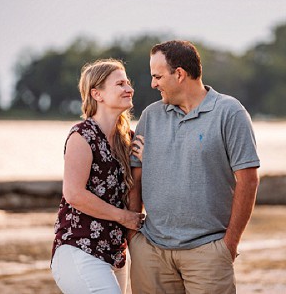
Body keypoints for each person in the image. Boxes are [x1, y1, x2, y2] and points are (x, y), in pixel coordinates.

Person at [128, 40, 260, 293]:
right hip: (152, 252)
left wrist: (229, 244)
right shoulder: (150, 116)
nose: (153, 84)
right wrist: (134, 237)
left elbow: (249, 180)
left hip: (207, 252)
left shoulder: (229, 113)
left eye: (157, 76)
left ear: (179, 74)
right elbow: (136, 177)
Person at [51, 58, 145, 294]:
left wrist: (143, 163)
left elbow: (138, 190)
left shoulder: (129, 139)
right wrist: (122, 217)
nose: (129, 88)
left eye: (128, 83)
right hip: (78, 249)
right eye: (120, 84)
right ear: (97, 94)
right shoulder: (82, 136)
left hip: (116, 253)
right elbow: (73, 194)